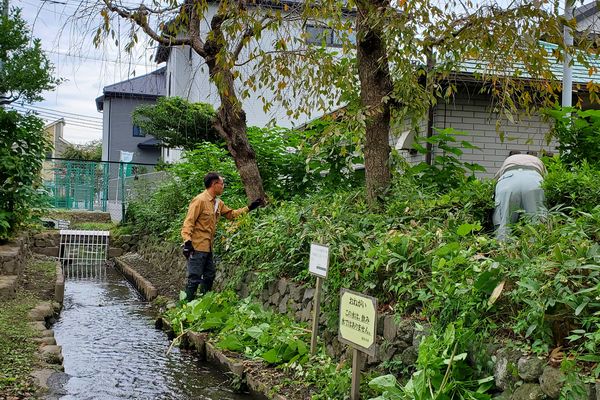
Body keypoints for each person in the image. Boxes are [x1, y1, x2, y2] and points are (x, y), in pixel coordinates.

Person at [181, 172, 263, 301]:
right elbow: (188, 222)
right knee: (194, 278)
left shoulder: (217, 203)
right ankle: (186, 308)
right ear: (214, 184)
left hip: (208, 247)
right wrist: (187, 242)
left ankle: (203, 303)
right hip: (196, 247)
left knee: (209, 276)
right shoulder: (200, 200)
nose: (223, 186)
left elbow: (231, 214)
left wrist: (250, 207)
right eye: (222, 184)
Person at [493, 152, 547, 240]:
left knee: (504, 222)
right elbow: (547, 181)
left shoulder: (508, 161)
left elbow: (495, 180)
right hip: (534, 180)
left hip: (508, 179)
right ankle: (536, 249)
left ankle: (502, 248)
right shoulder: (538, 161)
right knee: (537, 224)